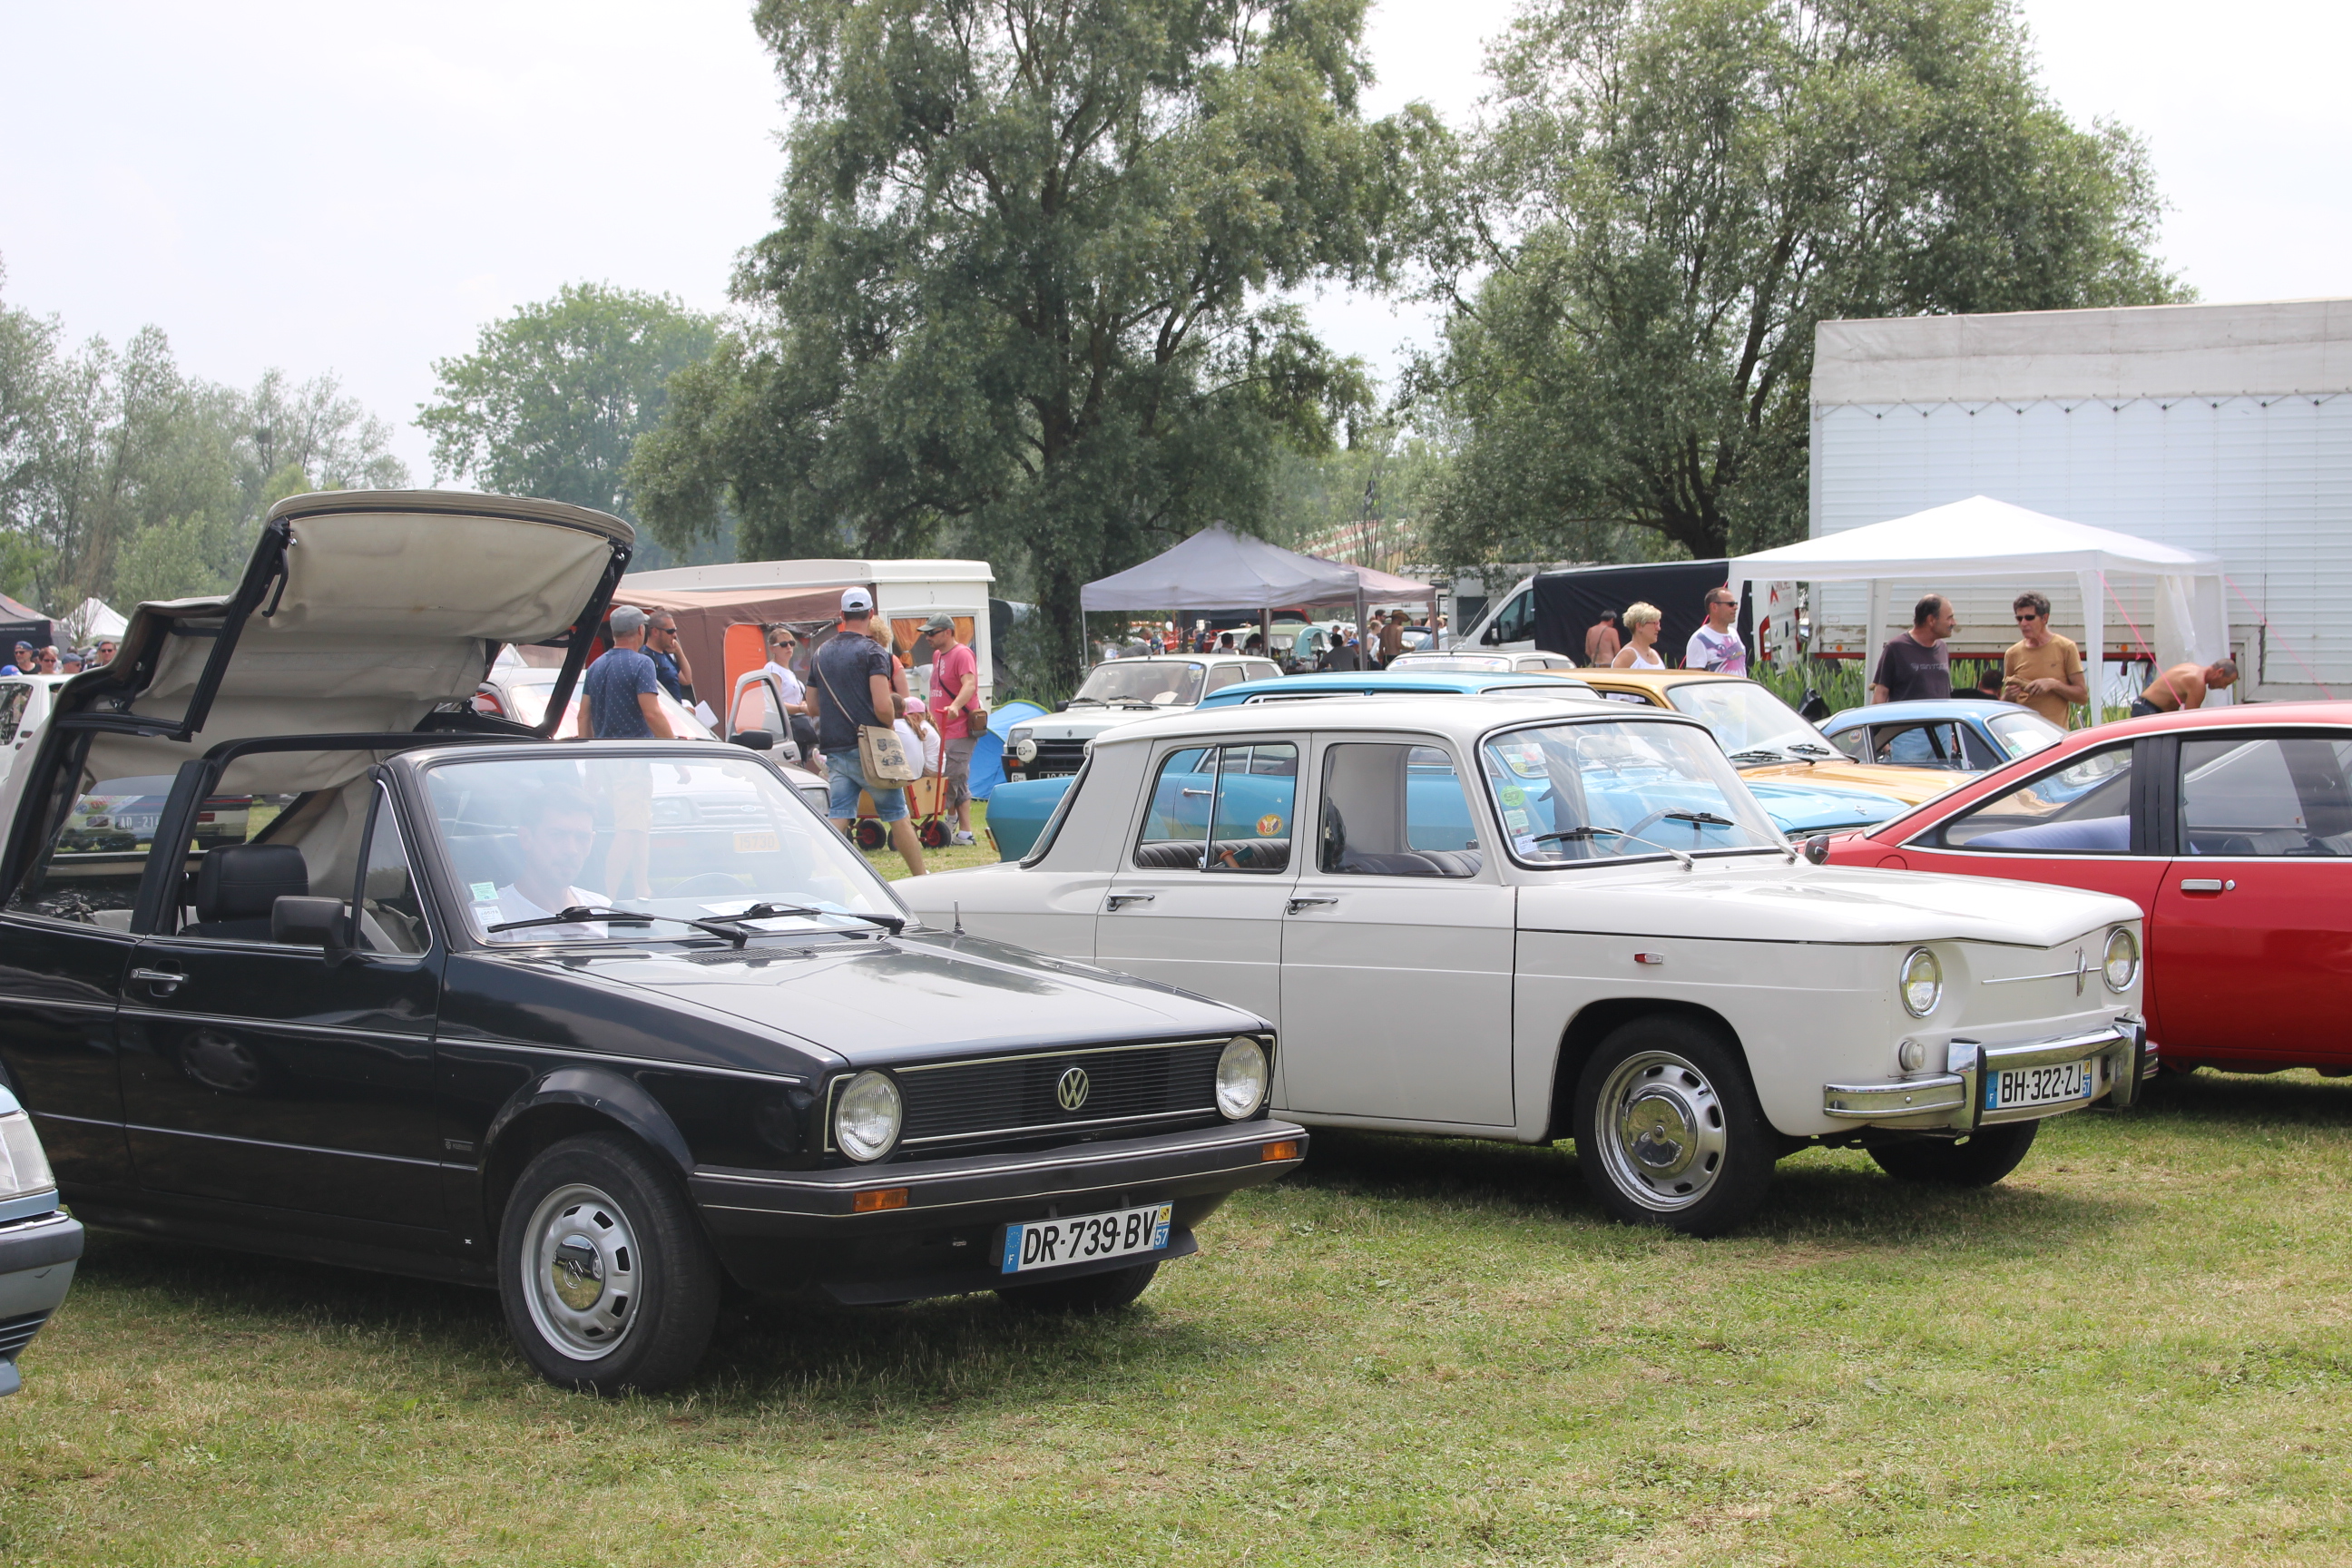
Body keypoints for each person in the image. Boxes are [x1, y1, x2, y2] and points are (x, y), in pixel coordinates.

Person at [810, 587, 925, 876]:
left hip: (835, 748)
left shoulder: (821, 652)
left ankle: (817, 877)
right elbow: (883, 707)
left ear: (842, 616)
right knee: (897, 815)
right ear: (871, 614)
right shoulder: (874, 651)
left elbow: (812, 706)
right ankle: (921, 877)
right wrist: (889, 726)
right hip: (871, 747)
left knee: (839, 814)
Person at [580, 605, 674, 900]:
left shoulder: (595, 665)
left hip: (605, 757)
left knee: (638, 824)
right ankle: (606, 897)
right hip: (632, 757)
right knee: (631, 828)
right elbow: (652, 713)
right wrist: (675, 752)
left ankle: (641, 887)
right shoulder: (641, 664)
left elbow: (583, 716)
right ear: (640, 631)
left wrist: (591, 758)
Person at [480, 782, 612, 943]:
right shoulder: (490, 922)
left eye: (582, 838)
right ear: (526, 838)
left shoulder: (604, 911)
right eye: (557, 835)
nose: (572, 850)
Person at [922, 613, 980, 846]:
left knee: (950, 777)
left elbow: (970, 684)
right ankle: (965, 833)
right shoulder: (938, 655)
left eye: (932, 633)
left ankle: (947, 823)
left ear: (948, 632)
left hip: (959, 728)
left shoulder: (962, 653)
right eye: (926, 633)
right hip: (941, 728)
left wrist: (955, 706)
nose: (927, 637)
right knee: (959, 778)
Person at [2000, 591, 2086, 726]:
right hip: (2021, 732)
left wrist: (2053, 684)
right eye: (2019, 618)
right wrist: (2008, 696)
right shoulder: (2012, 653)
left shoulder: (2065, 647)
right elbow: (2003, 704)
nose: (2023, 623)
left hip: (2054, 734)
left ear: (2044, 618)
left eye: (2029, 618)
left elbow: (2082, 696)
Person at [1869, 594, 1956, 704]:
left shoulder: (1942, 647)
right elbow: (1881, 693)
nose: (1954, 623)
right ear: (1931, 620)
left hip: (1941, 721)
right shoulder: (1896, 648)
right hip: (1908, 721)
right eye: (1949, 618)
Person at [2131, 658, 2238, 717]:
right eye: (2226, 683)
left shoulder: (2191, 667)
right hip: (2148, 710)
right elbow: (2189, 720)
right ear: (2220, 672)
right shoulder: (2197, 683)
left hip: (2143, 705)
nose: (2223, 687)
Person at [1684, 587, 1746, 674]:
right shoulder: (1700, 639)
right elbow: (1693, 677)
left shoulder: (1733, 633)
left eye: (1736, 603)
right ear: (1714, 607)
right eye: (1731, 604)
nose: (1736, 607)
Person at [644, 612, 694, 704]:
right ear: (655, 631)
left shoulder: (664, 654)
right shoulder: (646, 658)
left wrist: (678, 651)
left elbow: (687, 679)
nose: (675, 635)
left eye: (675, 630)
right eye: (670, 631)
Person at [1612, 603, 1665, 669]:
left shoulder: (1654, 653)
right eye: (1655, 623)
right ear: (1639, 626)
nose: (1658, 628)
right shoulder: (1628, 655)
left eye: (1658, 623)